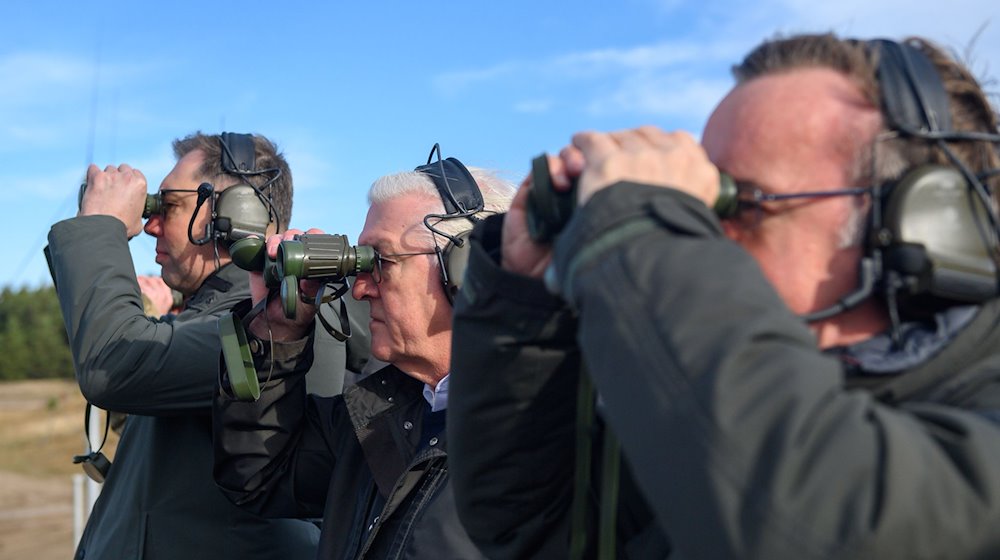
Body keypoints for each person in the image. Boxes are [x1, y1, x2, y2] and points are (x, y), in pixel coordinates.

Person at [447, 33, 1000, 559]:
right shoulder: (721, 402)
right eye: (698, 205)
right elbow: (535, 528)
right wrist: (526, 305)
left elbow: (812, 524)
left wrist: (637, 224)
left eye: (739, 202)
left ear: (921, 221)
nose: (702, 237)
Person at [47, 131, 368, 560]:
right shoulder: (202, 319)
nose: (149, 225)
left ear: (238, 215)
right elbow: (167, 439)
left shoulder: (274, 322)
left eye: (168, 205)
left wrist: (97, 228)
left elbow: (113, 365)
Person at [212, 152, 515, 559]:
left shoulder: (552, 432)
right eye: (360, 264)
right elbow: (258, 476)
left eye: (381, 262)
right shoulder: (378, 419)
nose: (359, 289)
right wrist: (278, 328)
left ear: (469, 269)